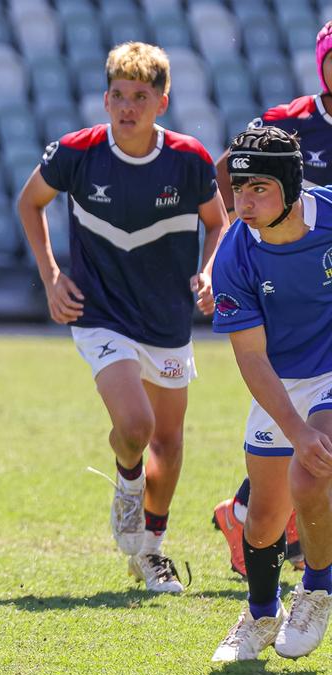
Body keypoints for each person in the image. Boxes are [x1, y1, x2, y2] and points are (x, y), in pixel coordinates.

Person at [15, 42, 227, 592]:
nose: (127, 107)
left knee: (171, 443)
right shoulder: (76, 152)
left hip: (167, 317)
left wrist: (208, 271)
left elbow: (218, 223)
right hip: (100, 312)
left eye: (140, 96)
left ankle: (148, 549)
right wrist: (52, 276)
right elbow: (28, 203)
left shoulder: (190, 160)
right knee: (136, 427)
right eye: (118, 95)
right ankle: (127, 487)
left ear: (162, 101)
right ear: (105, 97)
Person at [206, 22, 332, 578]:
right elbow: (230, 168)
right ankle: (250, 522)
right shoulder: (287, 122)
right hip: (282, 301)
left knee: (313, 463)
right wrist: (241, 251)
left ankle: (312, 577)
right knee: (286, 466)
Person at [209, 126, 332, 662]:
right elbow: (251, 358)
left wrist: (311, 435)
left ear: (289, 184)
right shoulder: (236, 252)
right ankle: (261, 614)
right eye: (239, 189)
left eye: (259, 188)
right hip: (279, 382)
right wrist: (296, 428)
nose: (245, 201)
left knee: (311, 477)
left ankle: (319, 590)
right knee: (260, 519)